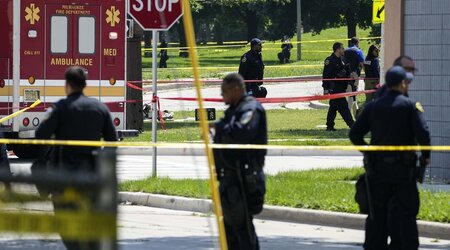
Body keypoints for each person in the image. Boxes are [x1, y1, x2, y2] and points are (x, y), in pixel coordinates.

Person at [349, 66, 430, 250]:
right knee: (406, 214)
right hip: (403, 171)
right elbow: (423, 134)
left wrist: (369, 152)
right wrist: (425, 158)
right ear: (402, 84)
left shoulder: (372, 107)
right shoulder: (410, 106)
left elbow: (355, 134)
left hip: (378, 171)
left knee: (377, 214)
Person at [36, 66, 118, 250]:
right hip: (92, 176)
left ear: (67, 85)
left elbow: (40, 134)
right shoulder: (100, 108)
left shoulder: (61, 108)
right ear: (85, 85)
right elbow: (112, 141)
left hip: (64, 177)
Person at [212, 73, 267, 250]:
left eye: (224, 92)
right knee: (230, 232)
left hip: (243, 178)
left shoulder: (250, 109)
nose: (222, 97)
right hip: (229, 179)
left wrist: (219, 127)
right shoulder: (234, 110)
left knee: (242, 230)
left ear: (236, 89)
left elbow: (242, 132)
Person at [322, 42, 354, 131]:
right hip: (334, 87)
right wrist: (325, 89)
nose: (344, 50)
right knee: (343, 106)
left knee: (333, 106)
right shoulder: (330, 60)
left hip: (342, 87)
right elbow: (326, 76)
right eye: (342, 48)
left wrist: (350, 80)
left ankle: (330, 126)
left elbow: (348, 73)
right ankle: (352, 125)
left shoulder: (343, 60)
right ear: (338, 49)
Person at [344, 37, 365, 114]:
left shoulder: (345, 50)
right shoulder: (358, 51)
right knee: (354, 92)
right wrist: (367, 73)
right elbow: (362, 63)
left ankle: (350, 110)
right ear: (357, 43)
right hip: (355, 74)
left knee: (348, 92)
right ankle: (352, 111)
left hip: (345, 75)